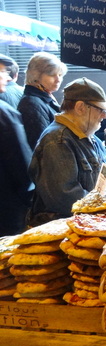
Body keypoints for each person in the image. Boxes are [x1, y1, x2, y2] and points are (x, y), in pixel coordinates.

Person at [28, 78, 106, 225]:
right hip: (65, 229)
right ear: (80, 107)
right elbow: (66, 199)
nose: (104, 116)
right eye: (100, 110)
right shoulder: (57, 141)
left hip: (88, 223)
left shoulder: (90, 138)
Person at [0, 56, 32, 235]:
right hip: (6, 207)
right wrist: (28, 198)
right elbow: (21, 163)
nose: (6, 77)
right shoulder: (4, 113)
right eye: (2, 71)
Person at [18, 52, 67, 149]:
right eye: (52, 75)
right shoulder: (32, 104)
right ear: (35, 76)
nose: (58, 79)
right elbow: (42, 145)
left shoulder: (44, 97)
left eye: (60, 75)